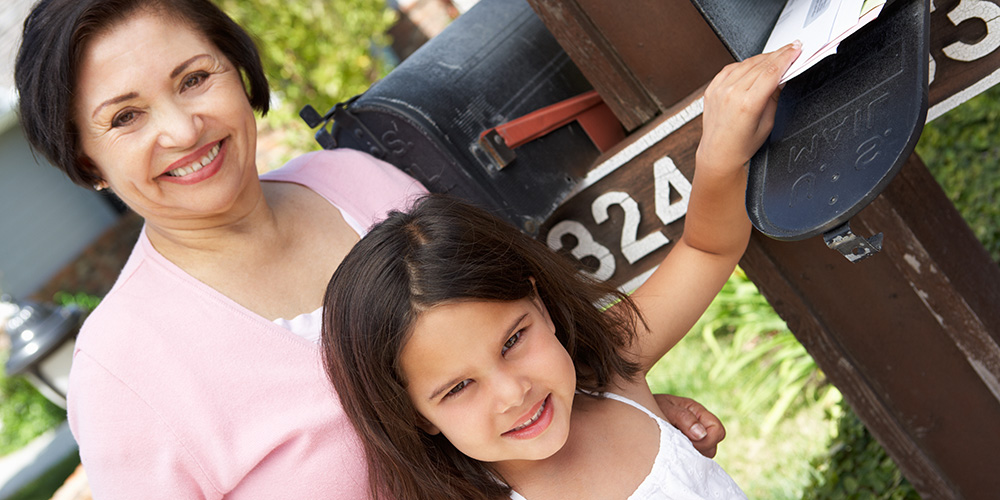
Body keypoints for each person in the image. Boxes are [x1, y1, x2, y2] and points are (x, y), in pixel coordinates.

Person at [13, 0, 726, 497]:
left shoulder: (355, 180)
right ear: (86, 162)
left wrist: (616, 428)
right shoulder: (123, 372)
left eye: (195, 77)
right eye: (127, 117)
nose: (182, 127)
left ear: (238, 69)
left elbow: (499, 350)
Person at [322, 42, 803, 500]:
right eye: (458, 388)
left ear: (540, 304)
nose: (513, 393)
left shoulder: (611, 369)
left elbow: (705, 249)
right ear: (416, 415)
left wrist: (720, 152)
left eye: (513, 341)